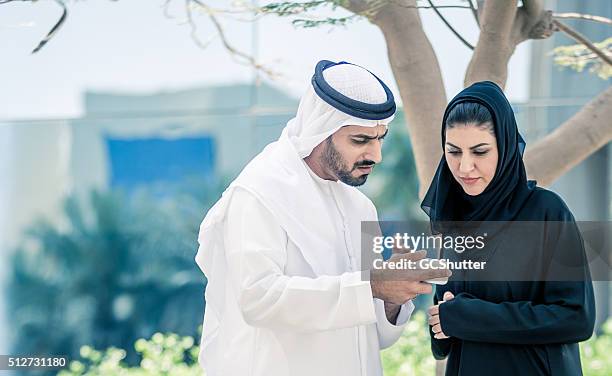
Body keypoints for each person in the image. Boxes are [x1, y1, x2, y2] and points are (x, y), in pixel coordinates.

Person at [195, 60, 450, 376]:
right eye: (360, 140)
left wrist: (392, 297)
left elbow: (373, 336)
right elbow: (258, 299)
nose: (376, 155)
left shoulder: (361, 207)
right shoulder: (259, 193)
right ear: (321, 130)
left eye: (380, 138)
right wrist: (372, 285)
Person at [422, 81, 596, 375]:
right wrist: (442, 324)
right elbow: (448, 323)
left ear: (504, 146)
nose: (465, 167)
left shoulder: (545, 212)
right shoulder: (456, 219)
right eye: (453, 152)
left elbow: (576, 317)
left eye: (479, 152)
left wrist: (470, 317)